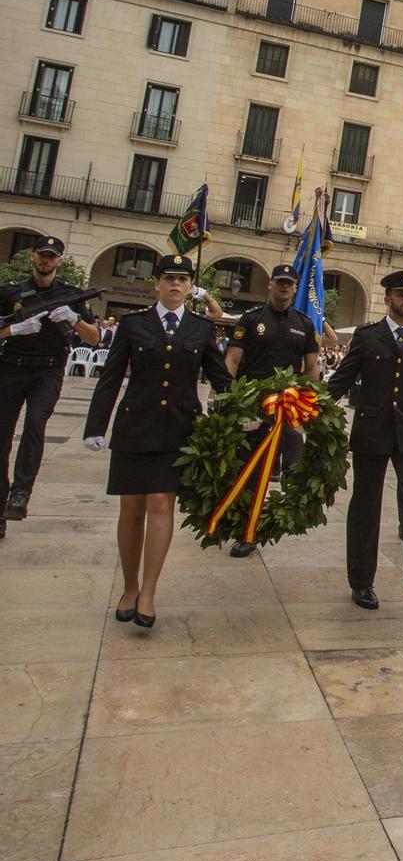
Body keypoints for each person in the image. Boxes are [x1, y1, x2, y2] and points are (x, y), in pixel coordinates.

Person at [82, 251, 231, 628]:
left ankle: (148, 592)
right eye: (169, 278)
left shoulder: (200, 328)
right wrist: (95, 426)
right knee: (131, 508)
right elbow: (111, 377)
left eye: (183, 280)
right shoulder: (134, 325)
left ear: (189, 286)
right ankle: (129, 587)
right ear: (158, 283)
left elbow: (220, 379)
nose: (176, 285)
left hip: (179, 429)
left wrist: (245, 412)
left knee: (162, 503)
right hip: (135, 426)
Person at [326, 270, 403, 607]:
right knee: (366, 503)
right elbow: (341, 380)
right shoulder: (368, 336)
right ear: (388, 298)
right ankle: (361, 580)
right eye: (401, 294)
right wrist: (310, 404)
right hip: (372, 429)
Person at [0, 234, 101, 530]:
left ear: (60, 260)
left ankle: (21, 492)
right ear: (32, 256)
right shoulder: (10, 292)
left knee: (35, 425)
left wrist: (73, 319)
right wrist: (13, 330)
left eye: (52, 256)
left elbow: (94, 338)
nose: (46, 260)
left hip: (48, 371)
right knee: (1, 437)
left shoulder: (72, 294)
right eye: (42, 255)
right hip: (11, 368)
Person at [223, 262, 321, 557]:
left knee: (295, 465)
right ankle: (247, 532)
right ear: (270, 284)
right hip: (253, 405)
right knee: (250, 469)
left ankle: (282, 522)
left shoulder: (304, 323)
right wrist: (225, 397)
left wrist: (315, 402)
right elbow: (233, 360)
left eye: (289, 283)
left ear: (294, 288)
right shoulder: (250, 319)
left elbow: (312, 367)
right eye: (279, 281)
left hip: (288, 406)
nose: (284, 287)